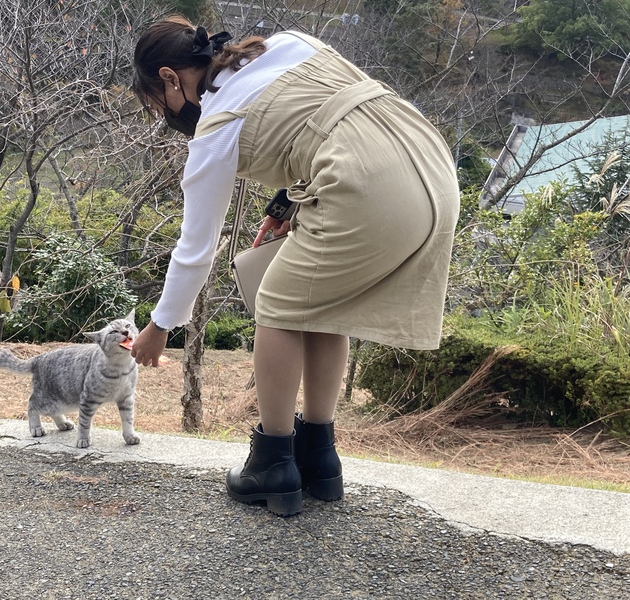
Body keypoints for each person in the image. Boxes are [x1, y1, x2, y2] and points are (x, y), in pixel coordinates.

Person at [130, 17, 460, 516]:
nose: (168, 115)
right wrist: (285, 204)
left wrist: (159, 327)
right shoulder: (287, 45)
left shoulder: (217, 128)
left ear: (171, 79)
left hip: (368, 188)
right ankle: (318, 456)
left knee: (278, 306)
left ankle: (273, 461)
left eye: (160, 105)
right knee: (322, 303)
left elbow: (196, 248)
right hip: (430, 165)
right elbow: (335, 120)